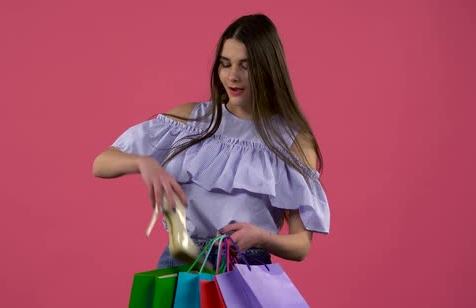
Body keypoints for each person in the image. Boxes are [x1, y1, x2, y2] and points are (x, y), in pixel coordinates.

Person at [93, 14, 330, 269]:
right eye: (225, 64)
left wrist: (262, 238)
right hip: (180, 261)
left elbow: (301, 245)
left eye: (246, 66)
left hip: (243, 268)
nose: (232, 76)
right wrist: (143, 163)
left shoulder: (292, 141)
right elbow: (101, 164)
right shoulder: (192, 119)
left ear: (268, 69)